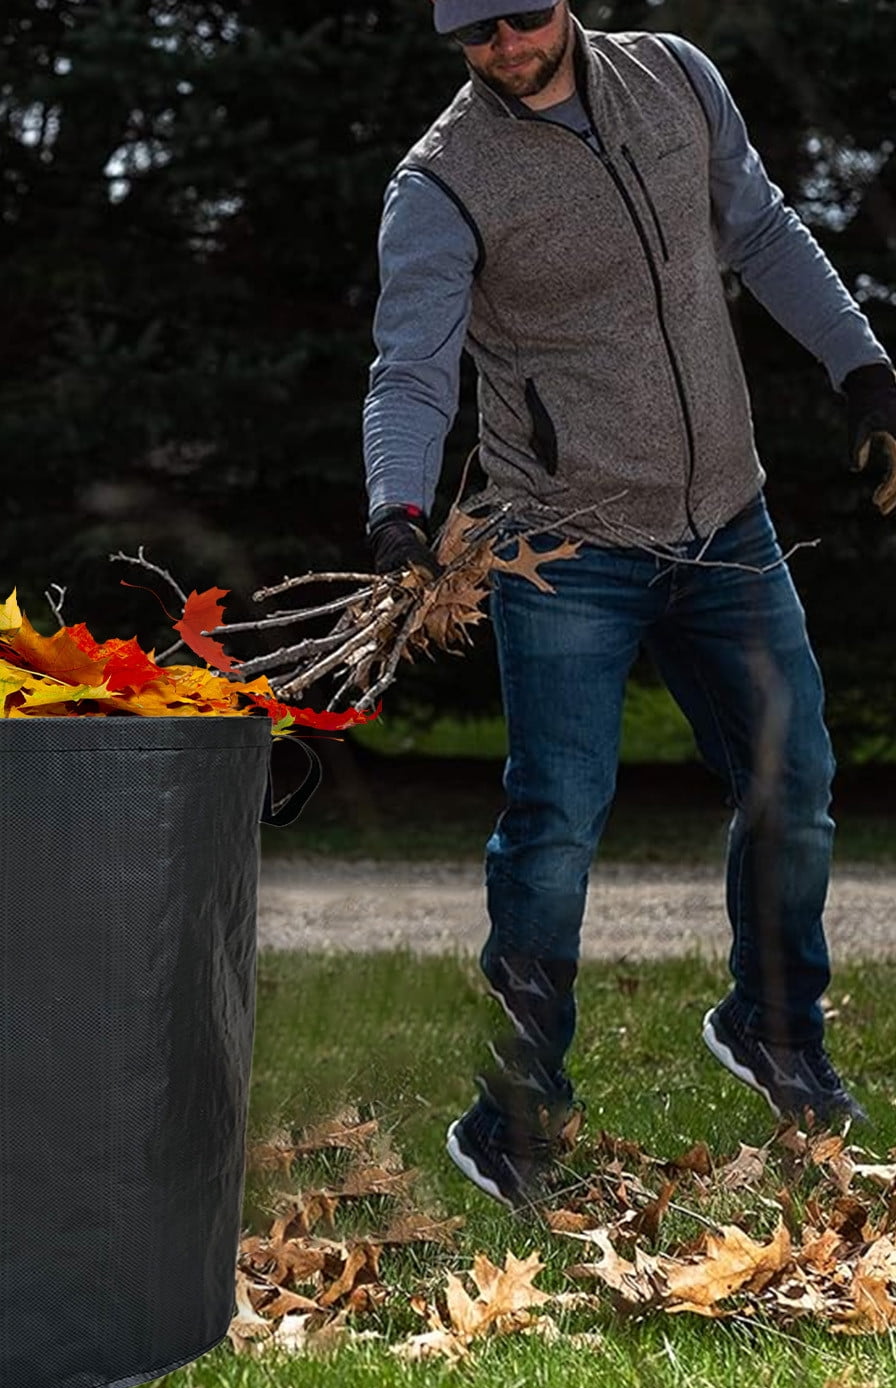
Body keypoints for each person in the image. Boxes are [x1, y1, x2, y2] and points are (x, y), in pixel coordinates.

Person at [359, 0, 896, 1210]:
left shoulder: (674, 80)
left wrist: (862, 365)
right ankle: (513, 1115)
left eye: (524, 16)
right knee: (554, 824)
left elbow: (760, 231)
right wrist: (399, 509)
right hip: (565, 543)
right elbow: (411, 362)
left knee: (793, 777)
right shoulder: (442, 181)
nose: (509, 46)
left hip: (725, 522)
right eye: (477, 33)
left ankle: (771, 1023)